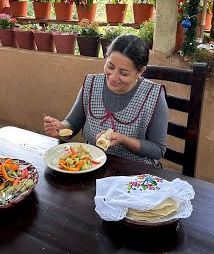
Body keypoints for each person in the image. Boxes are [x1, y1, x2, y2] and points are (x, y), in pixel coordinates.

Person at [43, 34, 168, 167]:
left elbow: (158, 150)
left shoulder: (153, 95)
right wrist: (60, 128)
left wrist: (123, 139)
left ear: (140, 72)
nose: (113, 77)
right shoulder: (91, 84)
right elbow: (72, 125)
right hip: (91, 165)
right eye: (110, 66)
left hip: (134, 172)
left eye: (123, 73)